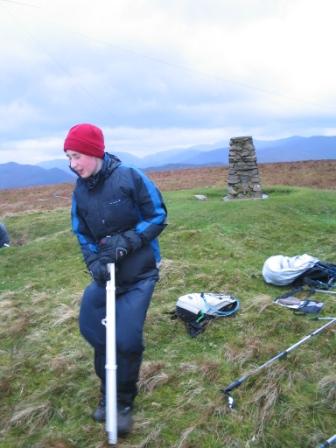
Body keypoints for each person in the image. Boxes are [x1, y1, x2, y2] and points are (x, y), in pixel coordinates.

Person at [63, 123, 167, 436]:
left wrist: (128, 240)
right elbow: (81, 232)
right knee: (94, 330)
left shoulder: (130, 176)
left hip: (139, 272)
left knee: (126, 339)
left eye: (77, 155)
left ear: (94, 152)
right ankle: (107, 390)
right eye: (68, 156)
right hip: (106, 275)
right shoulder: (80, 191)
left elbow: (158, 215)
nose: (72, 163)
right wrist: (93, 260)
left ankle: (122, 402)